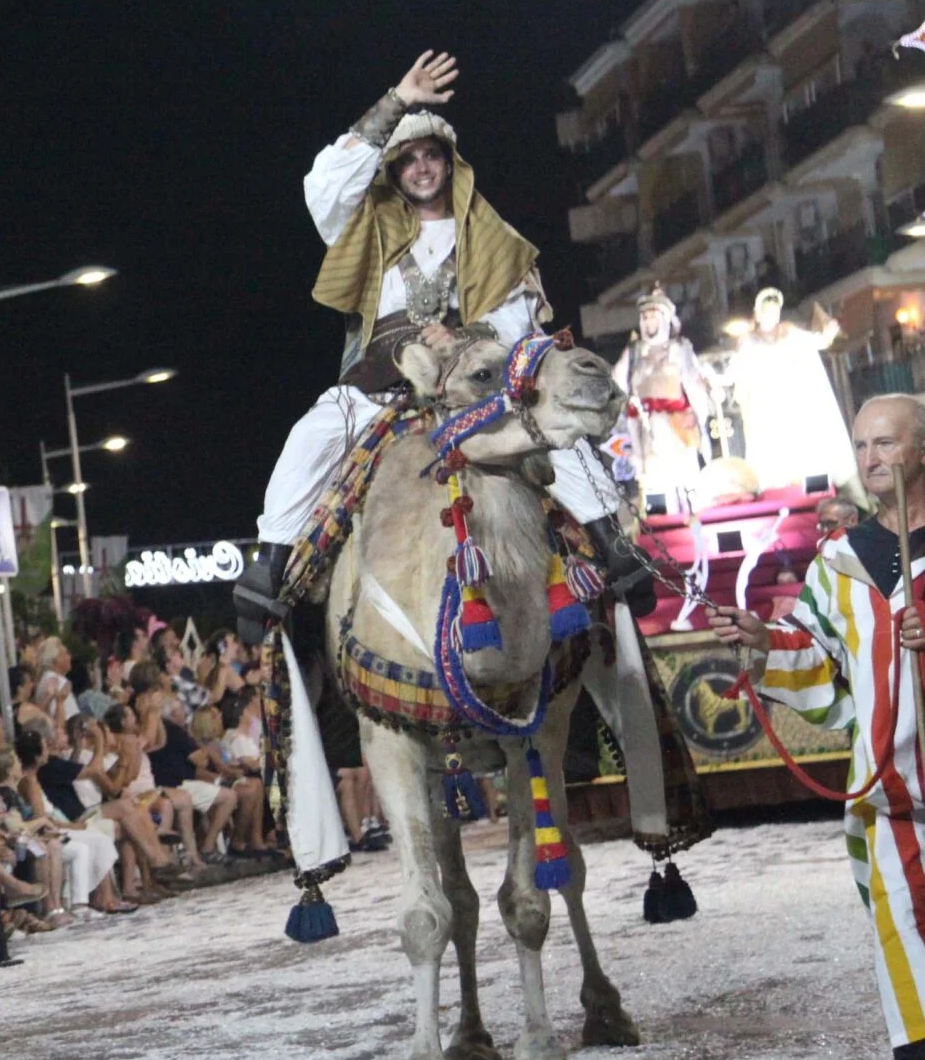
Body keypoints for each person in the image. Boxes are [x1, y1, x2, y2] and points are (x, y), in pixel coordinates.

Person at [234, 52, 644, 640]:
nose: (423, 168)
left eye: (433, 156)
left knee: (555, 436)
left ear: (450, 166)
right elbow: (322, 184)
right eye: (409, 159)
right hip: (380, 393)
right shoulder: (365, 228)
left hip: (474, 394)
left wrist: (464, 339)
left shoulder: (489, 235)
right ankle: (271, 566)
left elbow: (520, 325)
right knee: (313, 432)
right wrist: (396, 102)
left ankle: (612, 547)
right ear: (394, 170)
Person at [712, 394, 925, 1060]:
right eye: (862, 444)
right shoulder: (841, 561)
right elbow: (818, 658)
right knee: (906, 933)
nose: (871, 456)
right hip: (891, 790)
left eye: (886, 442)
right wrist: (765, 638)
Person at [726, 286, 854, 492]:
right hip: (765, 407)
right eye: (767, 311)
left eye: (775, 310)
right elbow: (734, 370)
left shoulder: (787, 330)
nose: (772, 315)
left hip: (790, 403)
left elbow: (816, 342)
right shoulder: (748, 340)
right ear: (758, 314)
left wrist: (828, 332)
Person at [611, 285, 721, 507]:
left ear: (665, 319)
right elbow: (616, 385)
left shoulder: (680, 348)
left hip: (677, 428)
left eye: (654, 317)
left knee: (688, 490)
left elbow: (694, 385)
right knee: (655, 492)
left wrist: (698, 419)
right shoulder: (633, 352)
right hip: (643, 431)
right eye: (645, 318)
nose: (649, 323)